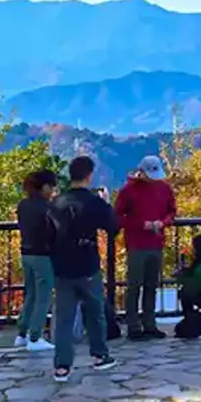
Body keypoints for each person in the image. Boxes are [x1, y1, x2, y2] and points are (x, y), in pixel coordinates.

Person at [49, 156, 120, 382]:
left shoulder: (57, 203)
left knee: (64, 318)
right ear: (89, 175)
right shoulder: (93, 202)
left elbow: (46, 234)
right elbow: (113, 227)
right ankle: (100, 355)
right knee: (95, 312)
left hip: (62, 265)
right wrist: (106, 203)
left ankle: (62, 366)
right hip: (87, 263)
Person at [114, 155, 177, 341]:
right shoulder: (128, 190)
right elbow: (118, 215)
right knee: (134, 286)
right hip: (136, 243)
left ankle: (150, 324)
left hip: (156, 242)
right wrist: (141, 224)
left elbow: (171, 211)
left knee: (151, 285)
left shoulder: (164, 188)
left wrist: (162, 223)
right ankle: (133, 326)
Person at [13, 169, 60, 352]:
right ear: (45, 187)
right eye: (52, 186)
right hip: (43, 255)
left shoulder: (23, 205)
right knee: (44, 295)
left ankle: (22, 333)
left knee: (31, 294)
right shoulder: (47, 208)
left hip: (26, 253)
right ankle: (35, 336)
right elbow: (54, 231)